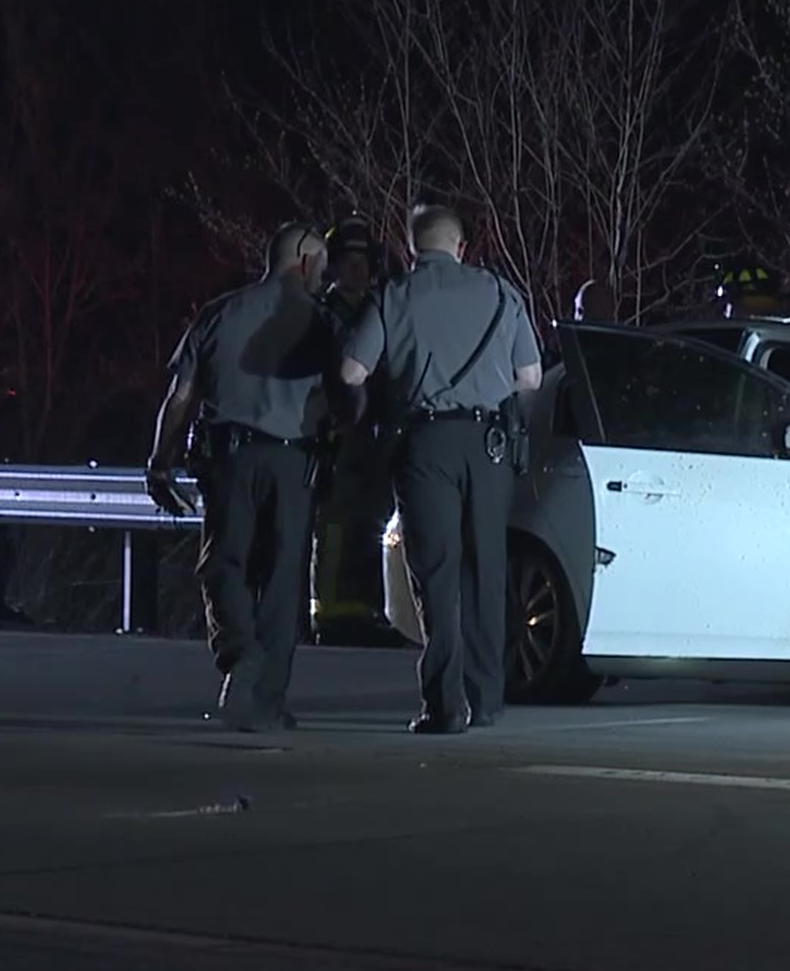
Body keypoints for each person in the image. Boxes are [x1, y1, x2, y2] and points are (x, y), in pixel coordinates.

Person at [339, 204, 543, 734]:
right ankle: (488, 697)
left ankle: (445, 706)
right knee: (487, 569)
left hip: (425, 443)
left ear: (412, 249)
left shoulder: (394, 295)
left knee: (436, 574)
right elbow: (531, 377)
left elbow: (350, 369)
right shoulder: (501, 294)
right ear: (461, 247)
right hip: (490, 444)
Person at [145, 221, 333, 732]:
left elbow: (180, 395)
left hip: (229, 458)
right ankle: (266, 700)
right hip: (295, 463)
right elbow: (346, 391)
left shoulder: (219, 312)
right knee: (283, 578)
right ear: (302, 258)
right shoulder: (322, 321)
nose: (324, 274)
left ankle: (239, 654)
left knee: (222, 564)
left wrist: (159, 460)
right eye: (320, 262)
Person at [308, 212, 404, 645]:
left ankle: (370, 610)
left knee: (375, 522)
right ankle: (329, 613)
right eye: (349, 260)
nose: (358, 269)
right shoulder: (320, 314)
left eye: (364, 261)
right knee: (334, 525)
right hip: (334, 436)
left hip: (377, 435)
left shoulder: (381, 309)